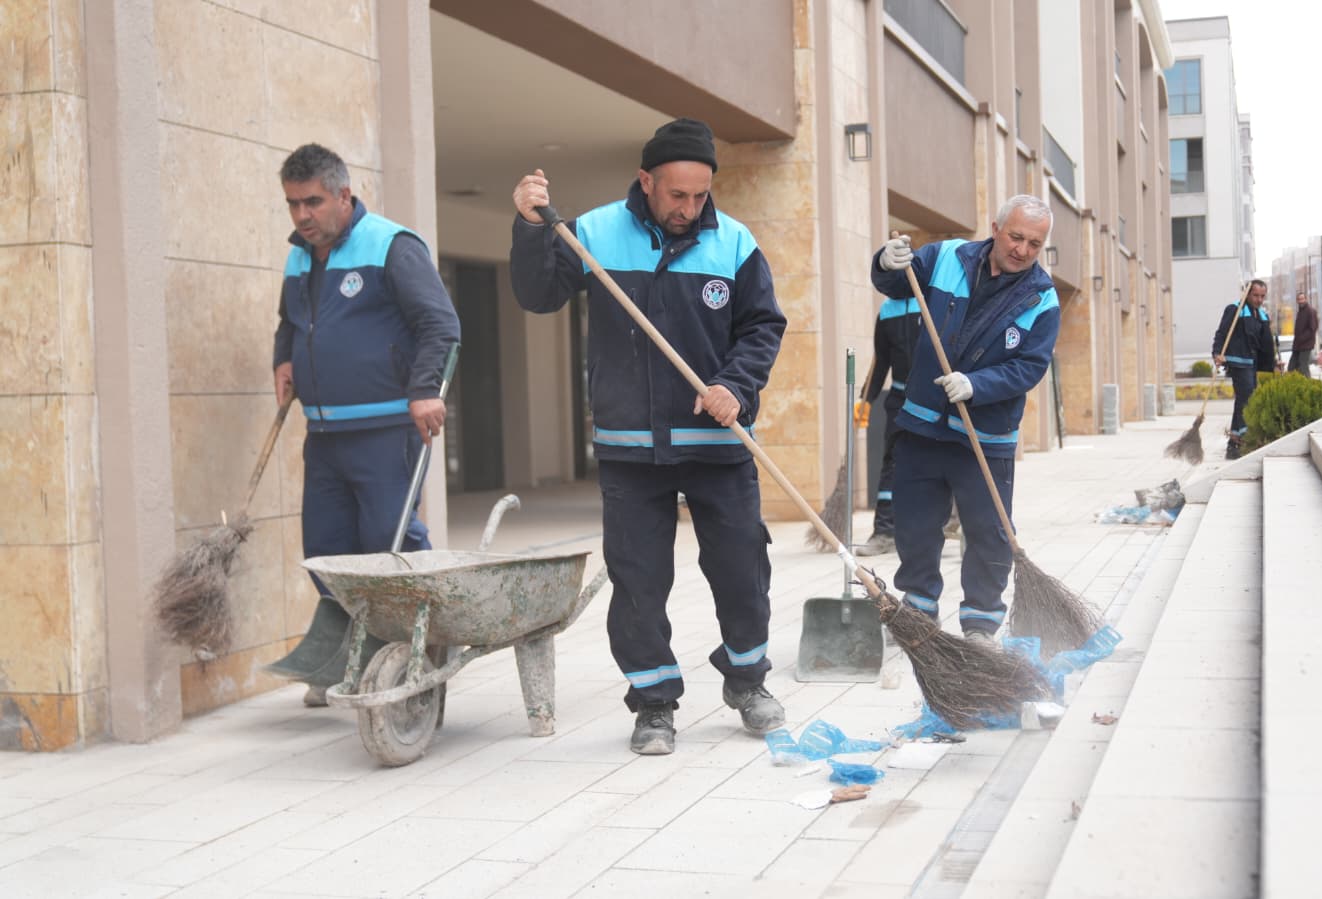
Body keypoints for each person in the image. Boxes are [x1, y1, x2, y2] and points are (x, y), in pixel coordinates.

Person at [508, 118, 788, 756]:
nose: (690, 209)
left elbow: (762, 327)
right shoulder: (595, 232)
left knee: (743, 565)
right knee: (638, 581)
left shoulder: (735, 242)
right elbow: (537, 294)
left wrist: (736, 387)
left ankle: (747, 681)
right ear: (646, 181)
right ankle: (655, 702)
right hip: (630, 444)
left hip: (718, 443)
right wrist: (529, 227)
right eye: (676, 196)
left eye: (700, 196)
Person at [272, 144, 461, 706]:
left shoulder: (390, 246)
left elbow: (440, 324)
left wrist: (425, 389)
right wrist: (283, 357)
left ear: (343, 195)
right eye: (292, 204)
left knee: (390, 544)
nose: (303, 216)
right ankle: (348, 656)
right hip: (324, 433)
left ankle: (423, 650)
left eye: (312, 202)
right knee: (327, 552)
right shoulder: (300, 256)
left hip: (386, 429)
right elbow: (291, 320)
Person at [869, 196, 1061, 643]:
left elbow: (1030, 366)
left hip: (985, 435)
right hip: (921, 426)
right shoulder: (947, 257)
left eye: (1034, 243)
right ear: (995, 228)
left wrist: (978, 385)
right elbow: (898, 284)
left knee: (988, 533)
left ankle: (980, 622)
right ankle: (917, 613)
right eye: (1016, 237)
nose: (1022, 250)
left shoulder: (1042, 297)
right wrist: (886, 262)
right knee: (915, 525)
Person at [854, 293, 923, 556]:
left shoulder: (930, 300)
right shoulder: (886, 311)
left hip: (932, 398)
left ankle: (951, 523)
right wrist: (866, 398)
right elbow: (881, 361)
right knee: (892, 464)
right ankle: (884, 532)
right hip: (899, 399)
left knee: (941, 462)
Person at [1212, 279, 1280, 460]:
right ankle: (1242, 438)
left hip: (1252, 362)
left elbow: (1264, 344)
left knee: (1244, 399)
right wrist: (1217, 353)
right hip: (1237, 361)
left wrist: (1272, 362)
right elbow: (1222, 332)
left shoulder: (1261, 315)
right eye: (1256, 295)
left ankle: (1234, 442)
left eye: (1262, 296)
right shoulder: (1234, 309)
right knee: (1247, 397)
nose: (1259, 299)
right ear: (1247, 294)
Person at [1288, 290, 1318, 376]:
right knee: (1292, 367)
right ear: (1297, 301)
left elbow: (1312, 329)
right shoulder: (1300, 312)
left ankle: (1308, 386)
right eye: (1299, 299)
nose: (1301, 301)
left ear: (1306, 299)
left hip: (1306, 345)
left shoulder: (1310, 311)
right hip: (1297, 345)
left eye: (1302, 299)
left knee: (1303, 367)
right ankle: (1294, 386)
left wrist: (1302, 338)